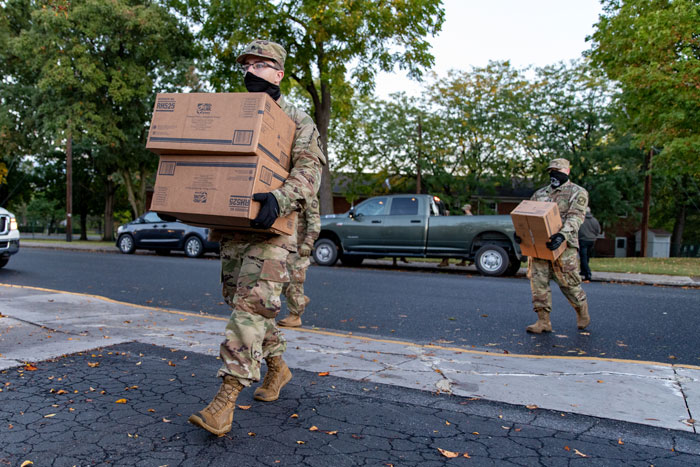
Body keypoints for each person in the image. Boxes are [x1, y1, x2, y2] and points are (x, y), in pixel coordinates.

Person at [188, 40, 326, 436]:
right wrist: (183, 199)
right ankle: (279, 369)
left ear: (279, 73)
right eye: (246, 64)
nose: (251, 70)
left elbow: (310, 173)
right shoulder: (232, 114)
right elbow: (207, 162)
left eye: (261, 64)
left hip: (276, 229)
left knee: (250, 307)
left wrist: (280, 198)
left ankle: (225, 401)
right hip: (234, 230)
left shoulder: (297, 118)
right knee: (245, 302)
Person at [519, 158, 590, 334]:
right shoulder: (540, 194)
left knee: (568, 283)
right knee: (538, 282)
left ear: (566, 172)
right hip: (540, 246)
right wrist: (521, 233)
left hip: (564, 246)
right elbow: (528, 215)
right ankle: (543, 321)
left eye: (557, 171)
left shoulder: (577, 192)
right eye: (551, 171)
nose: (553, 174)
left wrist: (562, 235)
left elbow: (576, 217)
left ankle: (582, 311)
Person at [277, 195, 321, 328]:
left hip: (299, 246)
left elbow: (315, 222)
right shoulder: (285, 191)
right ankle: (299, 300)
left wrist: (308, 243)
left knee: (295, 280)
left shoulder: (308, 194)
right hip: (284, 243)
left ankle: (295, 316)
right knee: (281, 280)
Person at [438, 203, 472, 268]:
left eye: (464, 209)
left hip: (463, 235)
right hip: (464, 235)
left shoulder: (468, 216)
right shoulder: (468, 215)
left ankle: (445, 261)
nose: (463, 210)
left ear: (467, 209)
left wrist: (447, 216)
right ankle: (463, 262)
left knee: (448, 245)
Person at [578, 207, 601, 282]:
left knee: (583, 257)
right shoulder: (594, 220)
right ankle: (583, 271)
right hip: (592, 240)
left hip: (583, 239)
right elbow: (598, 230)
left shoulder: (581, 220)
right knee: (587, 257)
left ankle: (588, 273)